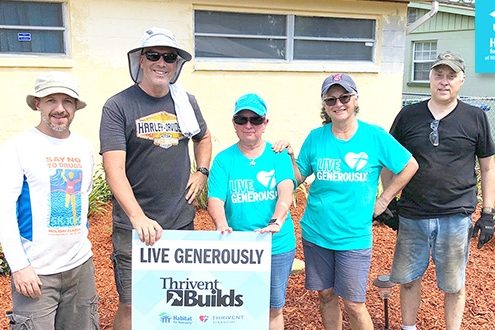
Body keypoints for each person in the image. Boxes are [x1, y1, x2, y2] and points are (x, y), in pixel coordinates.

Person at [273, 73, 418, 330]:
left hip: (353, 237)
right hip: (316, 232)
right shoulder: (317, 137)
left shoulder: (374, 136)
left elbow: (409, 165)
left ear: (355, 99)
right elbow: (297, 177)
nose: (338, 104)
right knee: (326, 295)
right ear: (324, 105)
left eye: (344, 97)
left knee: (354, 304)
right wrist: (289, 155)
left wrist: (384, 199)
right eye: (331, 99)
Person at [99, 27, 212, 330]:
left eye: (169, 57)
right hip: (134, 228)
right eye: (154, 55)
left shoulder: (186, 102)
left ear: (177, 64)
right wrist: (138, 217)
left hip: (180, 221)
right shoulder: (118, 106)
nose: (162, 63)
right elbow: (114, 170)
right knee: (133, 304)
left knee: (176, 299)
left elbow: (204, 137)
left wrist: (201, 172)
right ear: (141, 60)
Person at [382, 51, 495, 330]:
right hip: (412, 214)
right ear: (430, 78)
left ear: (462, 81)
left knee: (454, 285)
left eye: (451, 76)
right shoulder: (408, 116)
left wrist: (489, 212)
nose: (444, 81)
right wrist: (389, 201)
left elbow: (488, 167)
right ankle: (409, 327)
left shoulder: (476, 118)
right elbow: (387, 159)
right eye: (438, 74)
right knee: (408, 279)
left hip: (456, 215)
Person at [0, 71, 99, 329]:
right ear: (37, 104)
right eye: (50, 100)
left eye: (67, 101)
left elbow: (83, 196)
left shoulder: (83, 148)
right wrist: (19, 266)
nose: (60, 108)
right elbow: (4, 210)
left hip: (80, 267)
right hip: (37, 272)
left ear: (76, 106)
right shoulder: (18, 147)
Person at [207, 93, 296, 330]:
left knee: (273, 308)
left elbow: (286, 191)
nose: (248, 125)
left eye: (255, 119)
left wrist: (277, 220)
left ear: (265, 123)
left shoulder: (277, 155)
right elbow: (215, 199)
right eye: (242, 119)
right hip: (238, 247)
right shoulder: (223, 159)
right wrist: (221, 223)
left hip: (276, 245)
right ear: (234, 123)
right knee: (237, 307)